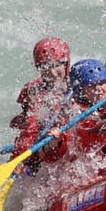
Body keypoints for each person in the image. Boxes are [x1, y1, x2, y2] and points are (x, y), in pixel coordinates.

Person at [10, 37, 71, 174]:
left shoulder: (79, 83)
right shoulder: (34, 93)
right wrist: (20, 158)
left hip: (71, 143)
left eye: (57, 65)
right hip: (47, 148)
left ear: (66, 63)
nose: (53, 72)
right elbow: (29, 131)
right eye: (46, 67)